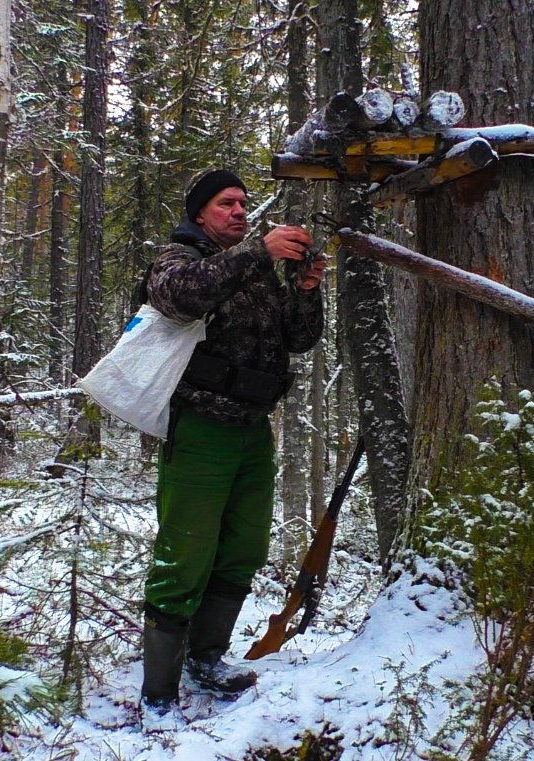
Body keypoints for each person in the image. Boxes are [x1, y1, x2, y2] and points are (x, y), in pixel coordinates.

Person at [139, 169, 325, 726]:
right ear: (200, 213)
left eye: (243, 203)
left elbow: (299, 339)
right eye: (226, 203)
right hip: (200, 427)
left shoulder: (253, 268)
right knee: (186, 552)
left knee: (244, 546)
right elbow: (180, 298)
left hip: (253, 427)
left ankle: (207, 659)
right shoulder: (178, 259)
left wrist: (305, 290)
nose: (239, 211)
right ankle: (158, 694)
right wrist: (258, 252)